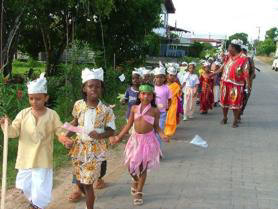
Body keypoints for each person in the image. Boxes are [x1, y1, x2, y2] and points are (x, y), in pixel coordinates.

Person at [0, 73, 71, 209]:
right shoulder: (23, 114)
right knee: (22, 185)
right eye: (31, 98)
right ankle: (34, 202)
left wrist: (63, 138)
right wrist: (6, 125)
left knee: (40, 188)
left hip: (42, 158)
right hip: (25, 158)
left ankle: (38, 206)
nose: (34, 102)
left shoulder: (52, 115)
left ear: (46, 98)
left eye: (38, 99)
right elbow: (13, 132)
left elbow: (59, 129)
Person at [62, 68, 116, 209]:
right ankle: (80, 190)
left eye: (97, 86)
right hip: (78, 148)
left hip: (95, 150)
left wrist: (100, 135)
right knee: (80, 180)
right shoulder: (78, 105)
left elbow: (111, 131)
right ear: (84, 88)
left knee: (87, 183)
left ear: (101, 89)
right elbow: (75, 122)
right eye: (90, 86)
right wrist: (65, 137)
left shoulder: (106, 110)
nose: (94, 89)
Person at [110, 83, 169, 206]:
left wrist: (163, 135)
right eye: (143, 93)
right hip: (135, 140)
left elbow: (157, 127)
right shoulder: (134, 108)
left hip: (148, 141)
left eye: (149, 94)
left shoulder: (155, 111)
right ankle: (135, 180)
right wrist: (118, 137)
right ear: (139, 95)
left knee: (143, 168)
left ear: (152, 96)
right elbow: (128, 125)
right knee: (131, 166)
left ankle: (139, 191)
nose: (146, 96)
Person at [213, 39, 251, 128]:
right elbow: (223, 66)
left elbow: (246, 72)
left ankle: (235, 120)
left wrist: (248, 85)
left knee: (235, 103)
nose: (228, 48)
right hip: (225, 82)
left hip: (236, 85)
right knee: (224, 101)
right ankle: (225, 118)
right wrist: (214, 73)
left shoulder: (243, 58)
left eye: (229, 47)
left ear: (234, 48)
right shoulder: (228, 56)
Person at [153, 67, 172, 144]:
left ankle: (158, 151)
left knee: (159, 132)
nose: (159, 79)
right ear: (154, 78)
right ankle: (152, 149)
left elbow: (170, 99)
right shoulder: (152, 88)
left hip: (162, 113)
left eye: (161, 77)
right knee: (151, 132)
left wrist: (168, 107)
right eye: (157, 77)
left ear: (164, 78)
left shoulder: (167, 88)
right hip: (152, 112)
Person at [164, 66, 182, 138]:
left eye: (174, 76)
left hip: (173, 103)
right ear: (167, 75)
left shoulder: (176, 85)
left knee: (171, 117)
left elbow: (179, 94)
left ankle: (170, 131)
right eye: (170, 75)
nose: (172, 77)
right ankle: (163, 129)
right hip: (164, 103)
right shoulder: (163, 85)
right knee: (164, 117)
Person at [240, 45, 256, 117]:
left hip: (247, 83)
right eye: (241, 51)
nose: (243, 53)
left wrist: (249, 81)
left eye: (244, 51)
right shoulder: (237, 59)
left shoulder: (249, 60)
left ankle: (241, 111)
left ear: (246, 52)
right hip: (238, 82)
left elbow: (253, 73)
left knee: (245, 98)